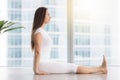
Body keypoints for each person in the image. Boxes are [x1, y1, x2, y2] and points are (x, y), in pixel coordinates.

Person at [31, 7, 108, 75]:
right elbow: (37, 52)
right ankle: (101, 68)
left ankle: (101, 68)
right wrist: (36, 70)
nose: (50, 17)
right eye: (48, 14)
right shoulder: (39, 32)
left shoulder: (41, 31)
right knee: (72, 67)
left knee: (70, 66)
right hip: (42, 65)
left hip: (44, 63)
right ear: (42, 16)